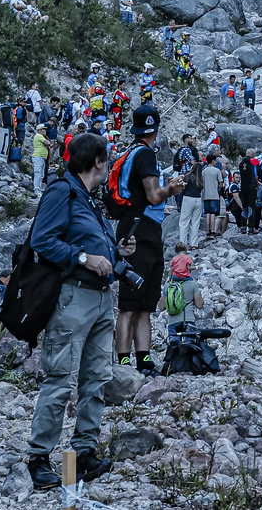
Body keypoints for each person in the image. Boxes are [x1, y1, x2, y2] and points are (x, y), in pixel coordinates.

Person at [25, 131, 126, 490]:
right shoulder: (61, 192)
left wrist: (116, 252)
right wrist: (84, 258)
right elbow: (41, 240)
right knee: (60, 379)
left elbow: (83, 241)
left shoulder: (86, 197)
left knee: (96, 378)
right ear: (97, 161)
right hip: (73, 297)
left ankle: (83, 454)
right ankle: (39, 459)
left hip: (100, 298)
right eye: (106, 159)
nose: (108, 165)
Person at [114, 104, 185, 373]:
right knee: (132, 305)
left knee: (141, 303)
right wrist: (172, 189)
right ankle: (128, 362)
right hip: (140, 230)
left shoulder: (132, 152)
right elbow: (154, 195)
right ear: (156, 128)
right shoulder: (145, 155)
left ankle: (141, 360)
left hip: (137, 227)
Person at [32, 125, 51, 195]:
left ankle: (39, 189)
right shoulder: (39, 136)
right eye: (43, 129)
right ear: (39, 130)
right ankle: (37, 190)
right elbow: (48, 143)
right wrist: (47, 143)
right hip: (38, 157)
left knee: (41, 174)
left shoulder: (41, 136)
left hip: (41, 157)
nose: (45, 130)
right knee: (38, 174)